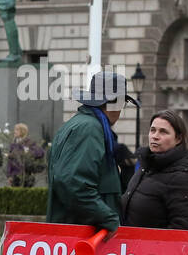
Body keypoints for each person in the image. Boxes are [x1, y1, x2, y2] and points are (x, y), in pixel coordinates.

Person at [46, 71, 140, 237]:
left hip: (77, 233)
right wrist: (109, 219)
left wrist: (126, 170)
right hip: (83, 236)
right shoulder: (90, 128)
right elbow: (74, 184)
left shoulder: (82, 124)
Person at [122, 109, 188, 235]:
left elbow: (181, 229)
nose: (155, 136)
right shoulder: (146, 164)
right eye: (153, 130)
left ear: (178, 139)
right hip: (131, 249)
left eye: (163, 132)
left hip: (153, 253)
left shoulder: (183, 176)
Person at [4, 122, 46, 188]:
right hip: (15, 176)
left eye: (17, 130)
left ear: (22, 131)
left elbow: (40, 152)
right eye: (15, 129)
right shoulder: (13, 145)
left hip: (27, 174)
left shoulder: (29, 142)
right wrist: (9, 175)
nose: (14, 131)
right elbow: (10, 162)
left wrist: (28, 152)